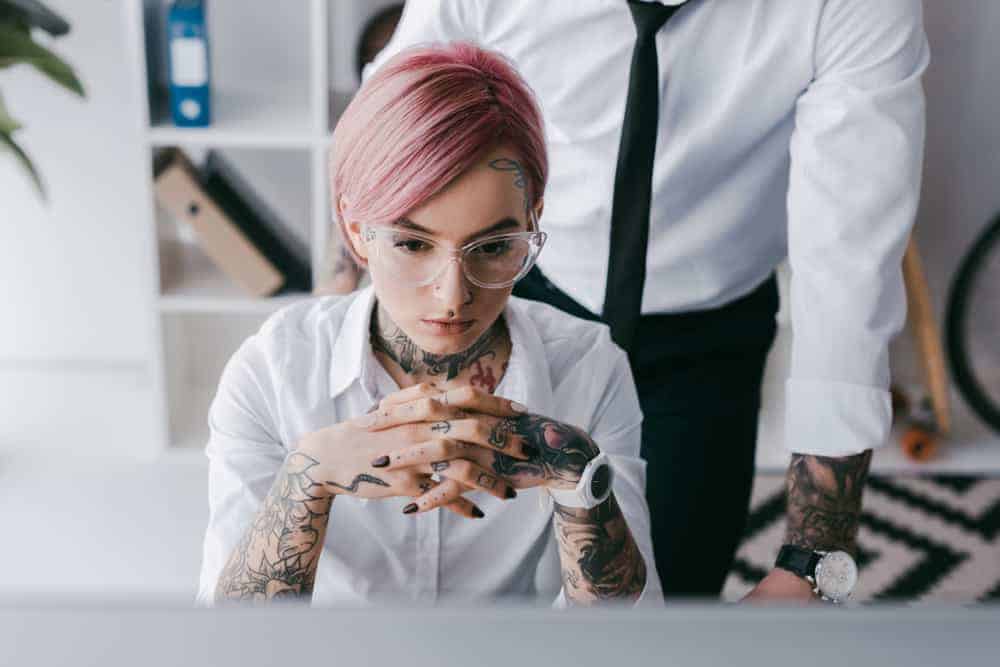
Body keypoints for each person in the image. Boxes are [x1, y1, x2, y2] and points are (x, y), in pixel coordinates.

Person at [336, 0, 931, 601]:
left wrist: (813, 561)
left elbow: (847, 267)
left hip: (706, 337)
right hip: (514, 294)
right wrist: (347, 310)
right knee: (476, 584)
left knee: (668, 606)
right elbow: (393, 136)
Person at [196, 42, 660, 606]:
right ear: (355, 226)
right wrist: (305, 482)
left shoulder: (590, 369)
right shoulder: (272, 374)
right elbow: (234, 639)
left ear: (533, 216)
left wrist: (579, 477)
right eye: (413, 243)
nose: (452, 295)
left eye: (493, 246)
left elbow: (627, 637)